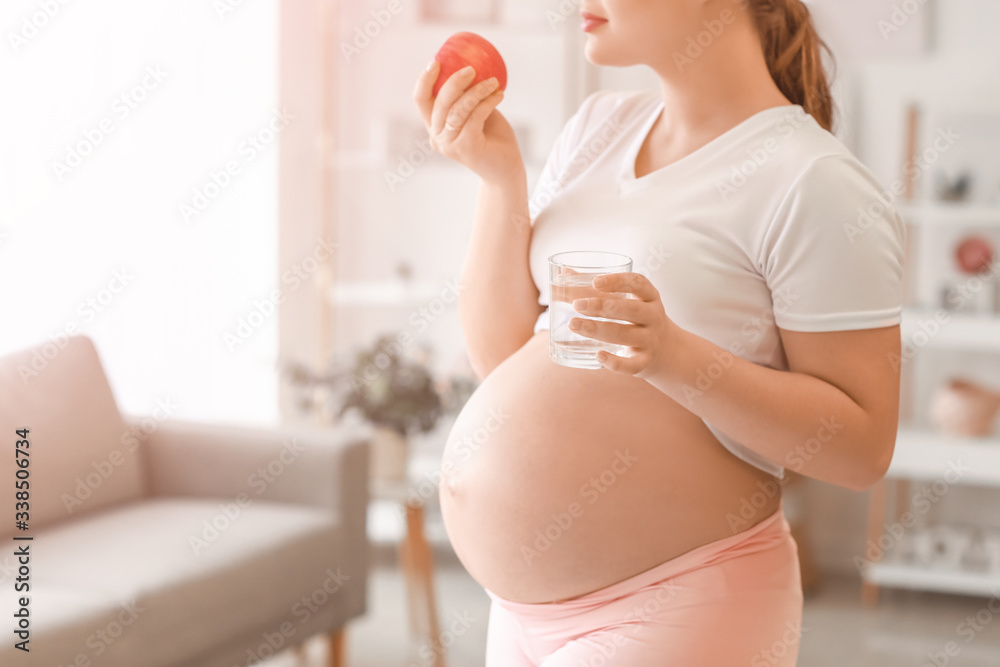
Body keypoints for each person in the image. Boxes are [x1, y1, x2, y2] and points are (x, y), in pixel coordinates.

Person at [411, 1, 904, 665]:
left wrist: (674, 355)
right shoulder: (597, 127)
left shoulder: (812, 180)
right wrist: (500, 180)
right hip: (521, 619)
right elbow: (502, 358)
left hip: (678, 607)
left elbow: (862, 449)